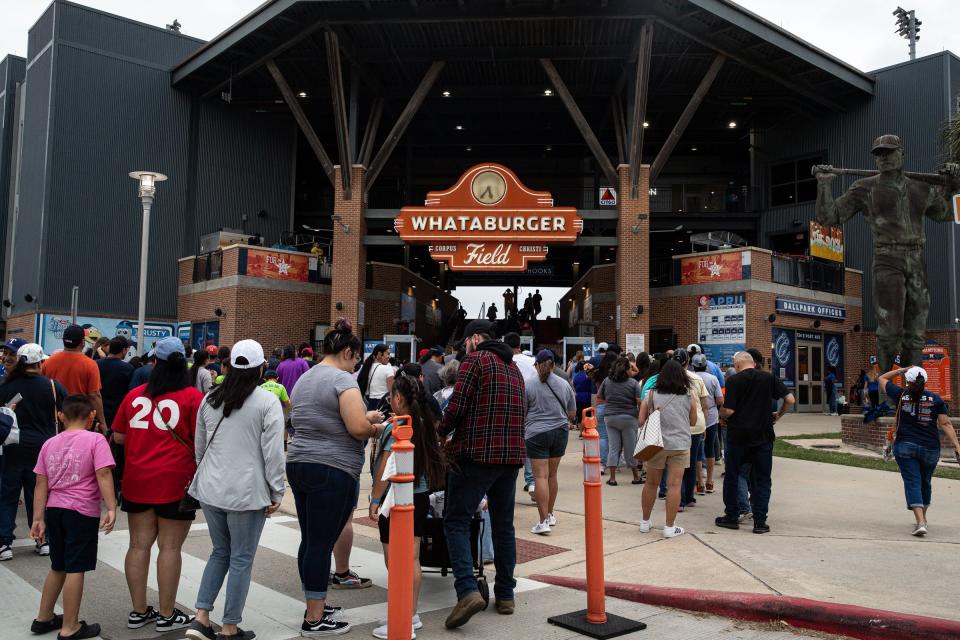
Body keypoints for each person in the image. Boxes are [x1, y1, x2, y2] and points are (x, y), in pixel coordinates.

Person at [815, 138, 960, 370]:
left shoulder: (921, 188)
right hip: (886, 258)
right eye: (879, 154)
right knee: (889, 331)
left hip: (916, 259)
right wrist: (824, 185)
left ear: (901, 153)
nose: (884, 157)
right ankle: (886, 396)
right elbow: (828, 218)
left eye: (889, 152)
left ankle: (914, 393)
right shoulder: (865, 188)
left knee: (915, 333)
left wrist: (952, 184)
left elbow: (945, 214)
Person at [287, 320, 384, 635]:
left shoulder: (306, 377)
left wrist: (362, 418)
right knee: (320, 542)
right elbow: (356, 428)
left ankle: (314, 604)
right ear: (348, 352)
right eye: (356, 358)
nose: (357, 364)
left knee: (310, 539)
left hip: (299, 463)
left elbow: (311, 417)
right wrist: (375, 427)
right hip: (332, 468)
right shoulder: (343, 380)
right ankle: (314, 619)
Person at [186, 340, 286, 640]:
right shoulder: (267, 402)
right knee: (241, 558)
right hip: (246, 491)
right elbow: (273, 453)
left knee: (220, 552)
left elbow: (200, 447)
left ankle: (201, 617)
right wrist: (276, 490)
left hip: (211, 488)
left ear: (228, 367)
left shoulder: (210, 399)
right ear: (260, 369)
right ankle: (229, 626)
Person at [111, 336, 205, 632]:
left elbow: (119, 437)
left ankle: (139, 611)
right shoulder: (193, 397)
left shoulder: (135, 395)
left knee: (138, 545)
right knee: (170, 548)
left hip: (137, 479)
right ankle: (166, 614)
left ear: (155, 363)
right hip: (177, 481)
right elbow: (201, 441)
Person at [440, 319, 526, 628]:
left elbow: (457, 406)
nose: (464, 349)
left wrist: (438, 431)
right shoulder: (513, 368)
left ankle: (467, 590)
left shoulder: (475, 360)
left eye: (464, 343)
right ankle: (505, 594)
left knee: (456, 520)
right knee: (504, 526)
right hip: (511, 457)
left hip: (476, 455)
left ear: (475, 338)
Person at [29, 395, 116, 640]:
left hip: (55, 510)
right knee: (76, 567)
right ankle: (70, 627)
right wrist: (111, 506)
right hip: (81, 511)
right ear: (91, 416)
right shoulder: (96, 440)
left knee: (58, 565)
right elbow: (104, 473)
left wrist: (38, 517)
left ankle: (44, 617)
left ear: (61, 416)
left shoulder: (49, 443)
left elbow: (40, 482)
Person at [368, 375, 446, 638]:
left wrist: (375, 500)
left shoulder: (399, 426)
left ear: (399, 398)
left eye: (391, 396)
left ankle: (400, 618)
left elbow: (385, 467)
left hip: (394, 498)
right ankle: (411, 614)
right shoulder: (423, 423)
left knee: (395, 560)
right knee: (412, 558)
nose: (390, 400)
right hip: (419, 495)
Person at [0, 344, 68, 560]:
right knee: (38, 494)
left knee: (7, 495)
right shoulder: (52, 386)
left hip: (11, 446)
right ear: (41, 362)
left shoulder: (6, 386)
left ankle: (4, 543)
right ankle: (42, 539)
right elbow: (65, 414)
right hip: (43, 447)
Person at [879, 365, 960, 536]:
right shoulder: (936, 399)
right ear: (925, 381)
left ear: (908, 380)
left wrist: (901, 370)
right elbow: (945, 424)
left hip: (905, 447)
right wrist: (957, 445)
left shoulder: (901, 395)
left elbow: (882, 378)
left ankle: (920, 522)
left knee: (912, 482)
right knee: (925, 482)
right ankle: (923, 519)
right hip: (930, 448)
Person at [715, 351, 789, 534]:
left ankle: (732, 516)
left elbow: (729, 411)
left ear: (738, 365)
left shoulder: (734, 381)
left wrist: (721, 414)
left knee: (733, 475)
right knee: (762, 479)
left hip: (738, 436)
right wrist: (778, 415)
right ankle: (760, 522)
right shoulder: (769, 378)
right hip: (763, 436)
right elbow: (790, 399)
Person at [637, 359, 697, 538]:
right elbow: (693, 421)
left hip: (656, 444)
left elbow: (640, 421)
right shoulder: (688, 394)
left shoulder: (651, 393)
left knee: (651, 484)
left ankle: (645, 523)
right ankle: (670, 527)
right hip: (680, 444)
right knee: (674, 486)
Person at [524, 351, 576, 535]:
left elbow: (524, 411)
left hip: (536, 433)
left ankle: (543, 520)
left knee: (540, 477)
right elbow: (572, 413)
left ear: (536, 365)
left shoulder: (529, 385)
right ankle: (551, 513)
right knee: (552, 476)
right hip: (560, 432)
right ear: (553, 364)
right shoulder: (564, 384)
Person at [42, 325, 105, 429]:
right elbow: (94, 395)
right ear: (82, 342)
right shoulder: (90, 364)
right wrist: (102, 422)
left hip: (54, 417)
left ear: (64, 341)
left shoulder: (48, 362)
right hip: (80, 418)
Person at [597, 356, 642, 486]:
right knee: (630, 448)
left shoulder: (607, 381)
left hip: (610, 417)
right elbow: (639, 401)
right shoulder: (633, 383)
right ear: (626, 369)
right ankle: (635, 476)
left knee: (613, 447)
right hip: (629, 418)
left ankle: (612, 478)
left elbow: (600, 396)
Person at [97, 337, 134, 498]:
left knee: (96, 451)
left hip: (98, 415)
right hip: (119, 416)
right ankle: (115, 487)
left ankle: (97, 486)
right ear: (124, 350)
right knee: (118, 453)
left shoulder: (96, 365)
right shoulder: (128, 369)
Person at [692, 354, 724, 494]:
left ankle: (700, 483)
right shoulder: (713, 378)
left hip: (694, 416)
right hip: (711, 416)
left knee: (697, 450)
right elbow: (720, 400)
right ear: (706, 365)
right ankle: (710, 481)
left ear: (693, 365)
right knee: (710, 447)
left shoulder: (691, 378)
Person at [364, 345, 396, 411]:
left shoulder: (367, 367)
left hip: (369, 404)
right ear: (379, 354)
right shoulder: (388, 368)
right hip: (383, 404)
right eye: (388, 354)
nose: (389, 356)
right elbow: (392, 390)